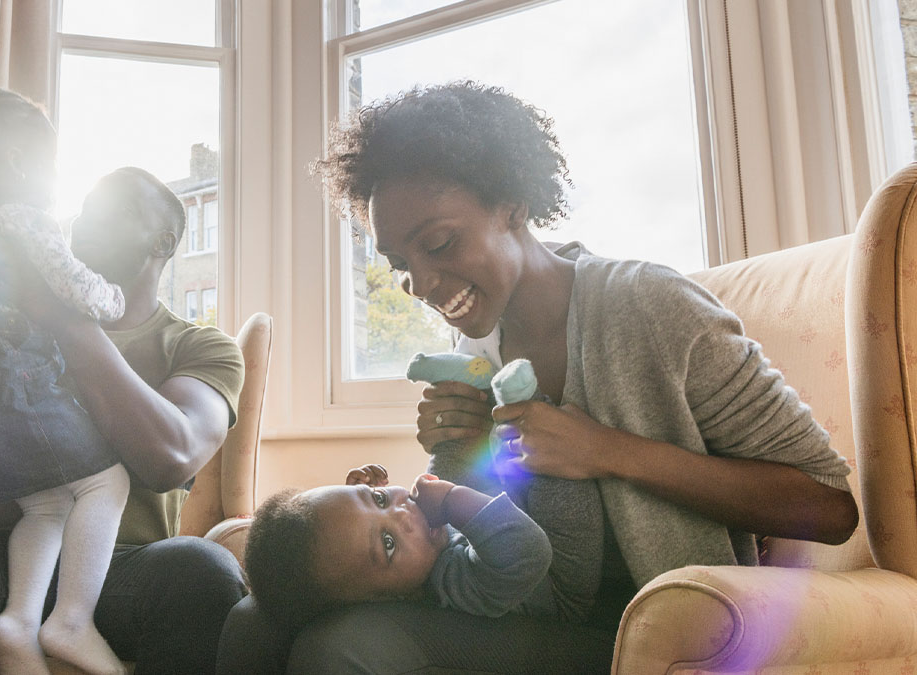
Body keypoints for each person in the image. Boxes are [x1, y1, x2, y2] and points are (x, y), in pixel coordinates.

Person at [218, 80, 858, 674]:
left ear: (512, 204)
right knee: (254, 622)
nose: (419, 284)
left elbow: (829, 507)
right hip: (531, 602)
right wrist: (463, 451)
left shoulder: (651, 307)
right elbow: (493, 525)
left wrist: (608, 453)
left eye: (438, 244)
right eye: (399, 263)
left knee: (345, 647)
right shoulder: (473, 342)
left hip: (649, 616)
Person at [0, 162, 246, 674]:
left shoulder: (199, 346)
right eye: (83, 209)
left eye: (113, 211)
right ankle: (19, 626)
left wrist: (55, 311)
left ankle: (70, 624)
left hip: (126, 565)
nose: (84, 222)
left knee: (204, 573)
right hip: (8, 557)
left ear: (163, 242)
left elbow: (170, 458)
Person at [0, 76, 133, 675]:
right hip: (14, 387)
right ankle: (71, 618)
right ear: (20, 163)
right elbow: (72, 286)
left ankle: (16, 622)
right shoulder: (24, 220)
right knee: (106, 482)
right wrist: (114, 298)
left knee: (45, 506)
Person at [245, 461, 605, 629]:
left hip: (533, 534)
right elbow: (527, 553)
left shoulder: (422, 551)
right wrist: (450, 499)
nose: (402, 514)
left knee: (487, 457)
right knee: (556, 466)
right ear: (390, 600)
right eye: (388, 543)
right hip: (563, 585)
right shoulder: (449, 583)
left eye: (379, 498)